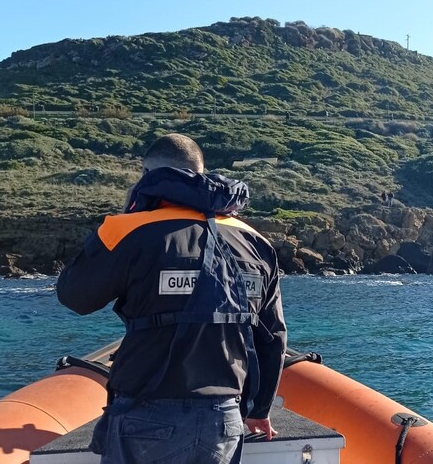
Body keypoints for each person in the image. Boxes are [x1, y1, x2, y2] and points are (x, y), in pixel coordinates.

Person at [57, 134, 286, 464]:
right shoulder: (256, 241)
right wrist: (259, 408)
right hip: (225, 418)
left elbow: (74, 296)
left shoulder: (128, 230)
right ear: (201, 172)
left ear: (148, 175)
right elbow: (273, 337)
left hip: (145, 414)